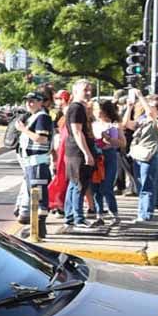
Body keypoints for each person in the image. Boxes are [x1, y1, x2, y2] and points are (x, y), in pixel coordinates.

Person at [14, 91, 54, 239]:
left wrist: (23, 129)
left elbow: (41, 139)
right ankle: (37, 229)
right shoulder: (35, 117)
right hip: (32, 163)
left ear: (40, 102)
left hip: (37, 163)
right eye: (27, 101)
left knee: (38, 197)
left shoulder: (42, 117)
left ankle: (37, 230)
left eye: (32, 101)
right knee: (35, 196)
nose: (29, 104)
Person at [61, 80, 97, 233]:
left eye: (89, 89)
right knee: (79, 186)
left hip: (74, 152)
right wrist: (87, 153)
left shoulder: (77, 108)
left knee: (74, 185)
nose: (88, 92)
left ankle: (71, 218)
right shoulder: (76, 108)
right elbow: (77, 132)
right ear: (75, 91)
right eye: (85, 90)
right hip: (77, 153)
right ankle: (78, 219)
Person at [125, 92, 158, 223]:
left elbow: (151, 114)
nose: (148, 107)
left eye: (152, 105)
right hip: (138, 155)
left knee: (147, 186)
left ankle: (146, 214)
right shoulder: (142, 120)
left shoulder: (157, 122)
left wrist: (141, 97)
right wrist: (129, 107)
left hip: (149, 156)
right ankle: (141, 213)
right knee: (140, 185)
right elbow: (127, 124)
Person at [92, 98, 125, 227]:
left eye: (97, 109)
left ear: (105, 111)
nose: (95, 112)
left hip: (109, 156)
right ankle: (99, 215)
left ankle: (114, 214)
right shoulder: (93, 125)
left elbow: (122, 143)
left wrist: (109, 139)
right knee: (96, 187)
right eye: (94, 109)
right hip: (96, 156)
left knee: (107, 186)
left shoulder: (114, 125)